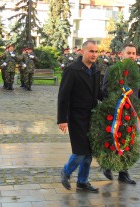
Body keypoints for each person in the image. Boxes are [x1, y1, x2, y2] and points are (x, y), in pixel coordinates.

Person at [57, 40, 103, 193]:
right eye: (91, 51)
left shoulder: (96, 70)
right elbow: (63, 96)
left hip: (92, 116)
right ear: (82, 52)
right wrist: (62, 119)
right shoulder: (72, 70)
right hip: (76, 117)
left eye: (96, 52)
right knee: (80, 151)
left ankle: (82, 182)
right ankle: (66, 171)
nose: (94, 54)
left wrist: (116, 98)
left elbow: (98, 92)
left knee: (89, 152)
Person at [102, 43, 140, 185]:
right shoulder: (112, 70)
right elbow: (105, 90)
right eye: (129, 53)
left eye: (134, 53)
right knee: (112, 140)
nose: (131, 56)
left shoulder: (136, 71)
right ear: (121, 54)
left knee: (128, 142)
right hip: (115, 112)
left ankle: (124, 173)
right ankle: (107, 165)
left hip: (131, 113)